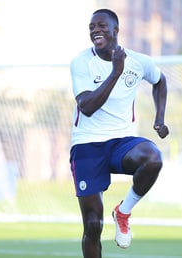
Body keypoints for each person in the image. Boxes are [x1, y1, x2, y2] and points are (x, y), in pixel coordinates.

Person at [69, 8, 169, 258]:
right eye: (92, 27)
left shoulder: (138, 61)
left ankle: (123, 212)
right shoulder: (81, 62)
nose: (95, 30)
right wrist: (116, 72)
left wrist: (159, 119)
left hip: (120, 142)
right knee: (93, 225)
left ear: (116, 29)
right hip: (87, 145)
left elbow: (160, 81)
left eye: (101, 25)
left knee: (152, 157)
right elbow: (87, 107)